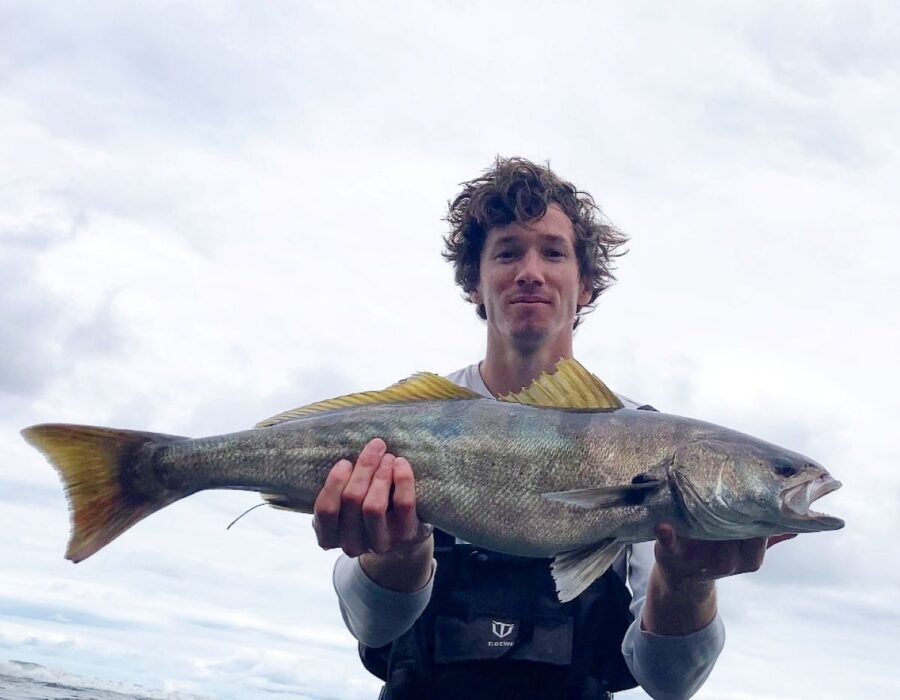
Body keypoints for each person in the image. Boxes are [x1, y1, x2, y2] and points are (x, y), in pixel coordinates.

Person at [313, 157, 793, 699]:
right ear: (474, 281)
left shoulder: (646, 441)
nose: (530, 272)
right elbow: (373, 629)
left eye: (554, 251)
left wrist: (688, 582)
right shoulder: (414, 418)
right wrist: (397, 551)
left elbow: (669, 682)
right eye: (508, 251)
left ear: (586, 285)